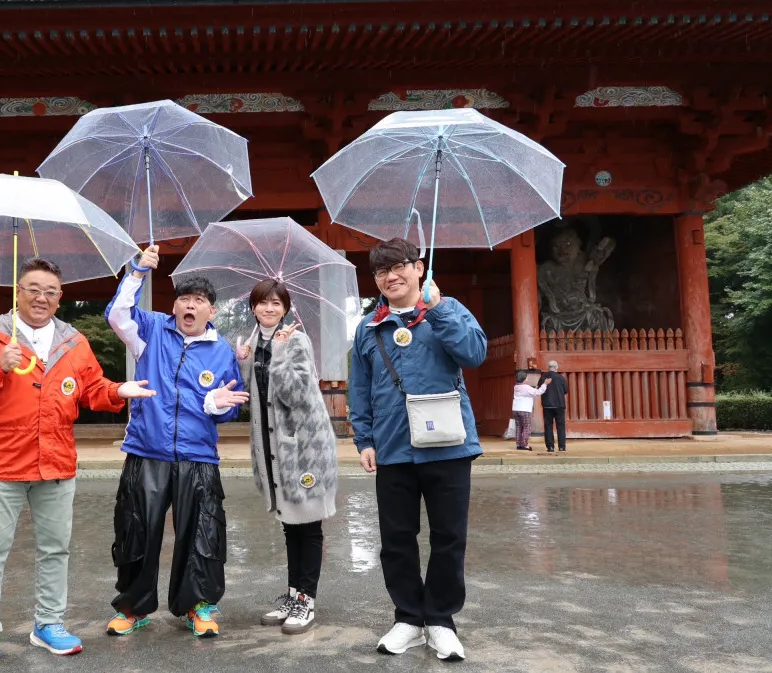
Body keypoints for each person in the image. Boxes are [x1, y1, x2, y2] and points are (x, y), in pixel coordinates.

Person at [0, 258, 156, 670]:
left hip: (56, 463)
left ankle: (48, 623)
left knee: (55, 549)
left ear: (60, 299)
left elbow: (91, 389)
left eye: (51, 292)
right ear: (17, 291)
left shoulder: (73, 341)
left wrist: (120, 390)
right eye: (33, 289)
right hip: (2, 463)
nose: (41, 298)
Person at [348, 237, 487, 663]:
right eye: (381, 271)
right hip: (392, 447)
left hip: (448, 446)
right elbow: (360, 387)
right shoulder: (370, 326)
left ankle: (441, 620)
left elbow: (474, 354)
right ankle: (408, 617)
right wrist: (364, 438)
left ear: (419, 266)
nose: (391, 276)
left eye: (399, 266)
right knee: (396, 539)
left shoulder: (448, 310)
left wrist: (439, 309)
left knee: (449, 537)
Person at [104, 245, 249, 638]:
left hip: (198, 455)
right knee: (137, 531)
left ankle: (197, 606)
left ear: (211, 311)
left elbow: (230, 406)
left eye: (199, 300)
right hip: (146, 450)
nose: (190, 305)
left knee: (201, 533)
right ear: (174, 306)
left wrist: (214, 404)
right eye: (184, 298)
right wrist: (137, 272)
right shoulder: (150, 330)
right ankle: (133, 607)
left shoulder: (221, 352)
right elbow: (116, 314)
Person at [234, 279, 338, 635]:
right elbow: (251, 395)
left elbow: (294, 393)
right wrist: (243, 363)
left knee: (307, 525)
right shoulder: (250, 342)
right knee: (289, 523)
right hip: (273, 447)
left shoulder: (295, 339)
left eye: (276, 303)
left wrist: (278, 354)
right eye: (263, 302)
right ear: (253, 307)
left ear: (285, 308)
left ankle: (306, 600)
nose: (269, 308)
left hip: (303, 447)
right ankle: (295, 593)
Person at [511, 371, 550, 451]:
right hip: (524, 409)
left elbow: (529, 392)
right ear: (524, 379)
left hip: (516, 409)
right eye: (526, 377)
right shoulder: (526, 387)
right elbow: (538, 392)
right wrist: (545, 384)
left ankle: (519, 444)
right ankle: (524, 444)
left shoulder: (516, 387)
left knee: (519, 427)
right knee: (526, 427)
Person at [541, 360, 570, 452]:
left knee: (548, 426)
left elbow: (540, 389)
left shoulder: (543, 377)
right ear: (556, 368)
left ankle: (550, 447)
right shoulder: (561, 378)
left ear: (548, 368)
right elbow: (565, 390)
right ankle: (562, 446)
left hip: (547, 405)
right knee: (560, 426)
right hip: (559, 405)